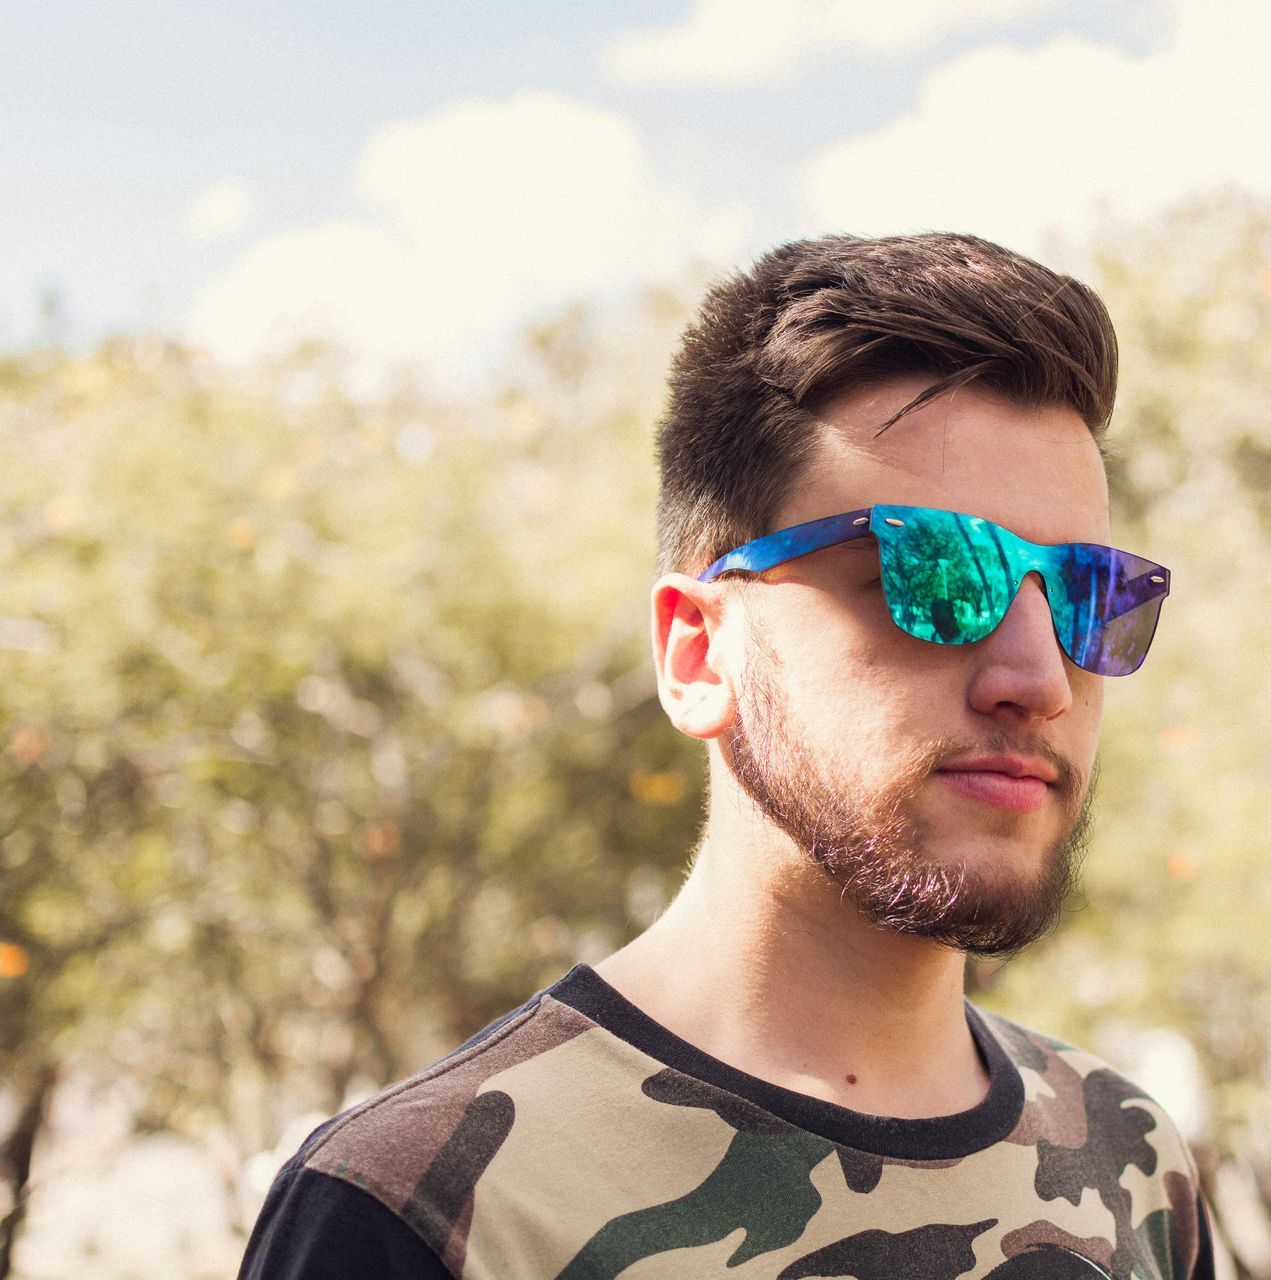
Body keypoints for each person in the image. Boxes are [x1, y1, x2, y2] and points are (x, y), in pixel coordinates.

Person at [239, 231, 1213, 1279]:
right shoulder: (421, 1213)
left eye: (1088, 594)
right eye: (934, 573)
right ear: (698, 652)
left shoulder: (1134, 1165)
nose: (1040, 677)